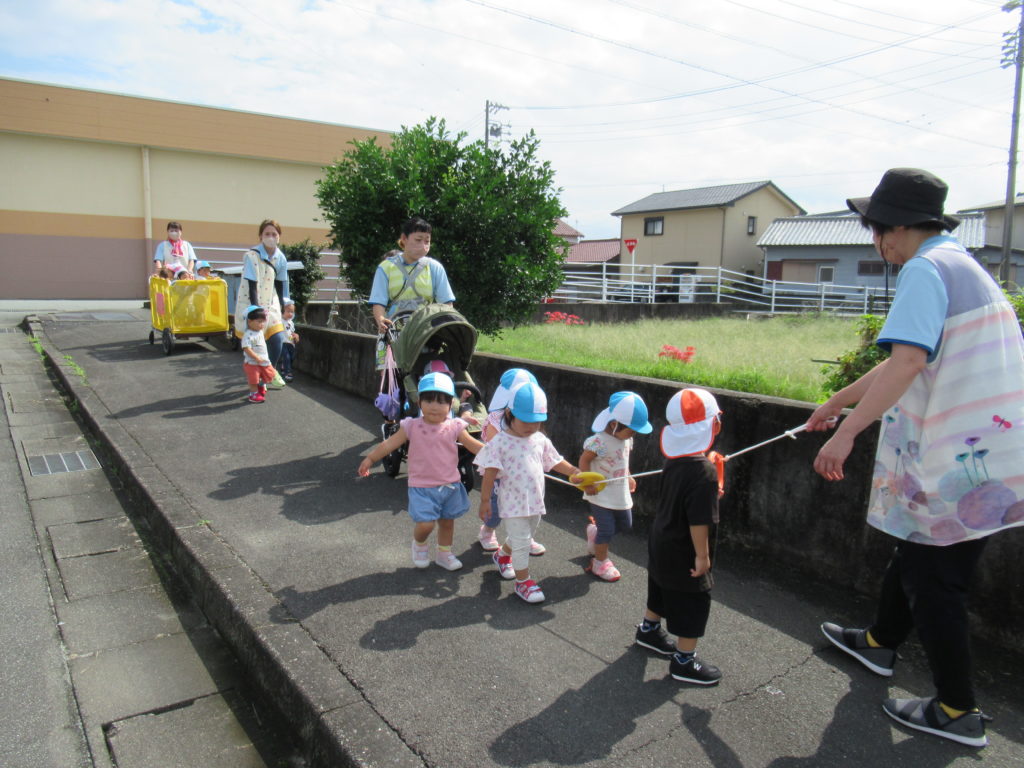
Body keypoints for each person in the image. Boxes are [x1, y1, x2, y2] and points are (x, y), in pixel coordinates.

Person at [807, 168, 1024, 748]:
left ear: (894, 227)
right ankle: (880, 642)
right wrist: (838, 401)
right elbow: (908, 355)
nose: (876, 242)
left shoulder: (924, 270)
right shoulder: (959, 265)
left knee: (936, 581)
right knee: (915, 549)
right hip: (987, 458)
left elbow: (907, 364)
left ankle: (957, 709)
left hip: (954, 460)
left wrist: (845, 434)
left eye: (875, 230)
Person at [634, 387, 724, 686]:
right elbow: (699, 520)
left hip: (661, 539)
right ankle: (684, 661)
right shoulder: (704, 472)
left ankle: (648, 630)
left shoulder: (676, 459)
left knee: (660, 585)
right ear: (714, 425)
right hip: (685, 548)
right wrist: (702, 555)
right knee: (693, 600)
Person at [358, 372, 483, 570]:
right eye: (429, 400)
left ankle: (444, 554)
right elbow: (390, 443)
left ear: (451, 404)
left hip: (450, 485)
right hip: (422, 486)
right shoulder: (412, 426)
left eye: (441, 401)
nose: (435, 406)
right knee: (426, 524)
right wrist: (371, 458)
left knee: (447, 523)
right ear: (419, 401)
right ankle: (419, 544)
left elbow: (472, 445)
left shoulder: (455, 426)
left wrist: (496, 455)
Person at [474, 381, 582, 604]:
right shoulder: (500, 442)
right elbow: (490, 473)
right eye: (526, 420)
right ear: (509, 414)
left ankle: (502, 555)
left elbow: (555, 460)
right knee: (522, 541)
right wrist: (485, 501)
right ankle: (523, 582)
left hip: (534, 500)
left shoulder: (540, 439)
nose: (532, 426)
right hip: (512, 502)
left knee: (525, 535)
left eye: (536, 421)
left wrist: (573, 471)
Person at [579, 391, 653, 582]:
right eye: (632, 430)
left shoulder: (626, 438)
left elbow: (622, 460)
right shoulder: (599, 441)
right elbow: (584, 460)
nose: (634, 434)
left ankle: (594, 533)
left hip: (620, 491)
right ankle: (600, 562)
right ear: (614, 424)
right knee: (607, 529)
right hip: (600, 494)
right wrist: (587, 482)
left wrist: (629, 476)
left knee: (625, 524)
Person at [476, 369, 547, 556]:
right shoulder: (495, 419)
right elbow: (493, 448)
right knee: (495, 507)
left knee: (529, 507)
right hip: (502, 475)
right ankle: (488, 530)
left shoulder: (531, 422)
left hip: (523, 477)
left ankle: (524, 538)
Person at [368, 218, 456, 335]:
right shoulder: (385, 267)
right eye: (418, 240)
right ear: (404, 238)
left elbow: (446, 304)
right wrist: (381, 320)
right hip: (395, 329)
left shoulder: (435, 267)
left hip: (425, 330)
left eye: (427, 241)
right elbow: (378, 301)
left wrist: (444, 326)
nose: (423, 246)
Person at [234, 219, 290, 390]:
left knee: (278, 339)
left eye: (274, 234)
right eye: (267, 234)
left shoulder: (280, 257)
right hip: (252, 302)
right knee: (256, 344)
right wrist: (256, 311)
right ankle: (260, 375)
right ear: (260, 236)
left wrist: (284, 305)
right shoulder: (252, 256)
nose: (271, 237)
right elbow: (252, 285)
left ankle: (268, 373)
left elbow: (281, 283)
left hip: (271, 301)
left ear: (279, 237)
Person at [240, 305, 277, 404]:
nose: (262, 324)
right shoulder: (248, 335)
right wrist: (256, 357)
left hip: (264, 361)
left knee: (270, 374)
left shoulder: (260, 331)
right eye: (259, 322)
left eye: (263, 321)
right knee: (254, 379)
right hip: (252, 363)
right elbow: (246, 348)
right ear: (249, 321)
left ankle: (260, 386)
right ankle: (253, 394)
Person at [280, 299, 299, 382]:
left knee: (291, 357)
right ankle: (288, 373)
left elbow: (292, 332)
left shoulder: (291, 322)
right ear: (283, 311)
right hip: (283, 342)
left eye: (292, 312)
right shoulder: (280, 321)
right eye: (288, 311)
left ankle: (283, 367)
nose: (290, 314)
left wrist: (296, 336)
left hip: (291, 343)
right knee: (286, 357)